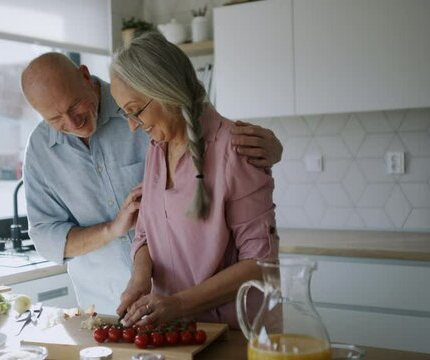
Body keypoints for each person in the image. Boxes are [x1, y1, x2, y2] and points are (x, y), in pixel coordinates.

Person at [20, 52, 282, 315]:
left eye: (75, 105)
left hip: (205, 313)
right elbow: (46, 236)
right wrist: (113, 232)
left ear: (86, 77)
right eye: (55, 119)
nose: (72, 122)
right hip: (105, 306)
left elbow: (258, 256)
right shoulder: (42, 150)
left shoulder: (149, 114)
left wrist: (270, 151)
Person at [110, 32, 277, 329]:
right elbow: (146, 234)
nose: (133, 127)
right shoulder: (156, 149)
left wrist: (178, 304)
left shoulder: (234, 148)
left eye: (135, 111)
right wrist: (139, 279)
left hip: (233, 334)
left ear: (165, 91)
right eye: (125, 114)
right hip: (172, 333)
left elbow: (260, 263)